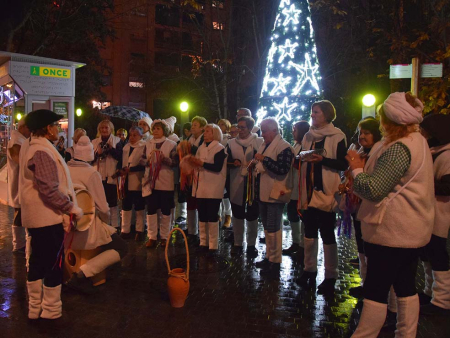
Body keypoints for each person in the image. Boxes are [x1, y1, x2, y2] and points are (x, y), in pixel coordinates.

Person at [348, 92, 434, 337]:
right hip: (410, 230)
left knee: (376, 289)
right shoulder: (416, 141)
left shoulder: (399, 148)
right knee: (405, 286)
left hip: (392, 230)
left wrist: (356, 168)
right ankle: (406, 333)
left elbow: (374, 190)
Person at [20, 109, 83, 320]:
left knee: (38, 261)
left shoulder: (34, 146)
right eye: (56, 125)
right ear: (47, 128)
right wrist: (71, 207)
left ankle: (35, 308)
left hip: (38, 217)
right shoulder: (42, 151)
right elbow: (48, 189)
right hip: (46, 217)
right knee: (52, 264)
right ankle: (50, 311)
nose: (58, 128)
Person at [66, 136, 128, 294]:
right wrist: (105, 224)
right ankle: (84, 272)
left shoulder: (65, 169)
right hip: (88, 228)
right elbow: (103, 208)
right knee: (122, 247)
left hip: (67, 226)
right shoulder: (91, 174)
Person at [297, 100, 347, 293]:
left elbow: (343, 164)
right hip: (308, 191)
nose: (312, 115)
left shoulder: (337, 135)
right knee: (309, 233)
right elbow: (302, 155)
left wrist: (323, 160)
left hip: (327, 191)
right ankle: (309, 270)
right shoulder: (308, 135)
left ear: (326, 114)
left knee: (327, 233)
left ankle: (330, 275)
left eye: (316, 112)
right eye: (312, 112)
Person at [252, 117, 294, 275]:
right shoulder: (265, 144)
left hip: (275, 193)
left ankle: (275, 261)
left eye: (264, 130)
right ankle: (269, 256)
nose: (262, 134)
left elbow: (282, 169)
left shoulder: (284, 147)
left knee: (274, 227)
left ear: (275, 130)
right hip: (263, 192)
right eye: (262, 130)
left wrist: (264, 160)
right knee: (268, 227)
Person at [419, 113, 450, 315]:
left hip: (440, 211)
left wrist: (424, 184)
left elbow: (447, 186)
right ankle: (429, 290)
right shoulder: (433, 151)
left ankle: (443, 299)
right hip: (427, 211)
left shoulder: (446, 155)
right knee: (427, 253)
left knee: (438, 254)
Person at [346, 118, 382, 297]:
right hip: (356, 204)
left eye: (366, 133)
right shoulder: (361, 151)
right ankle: (364, 281)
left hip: (370, 206)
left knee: (369, 246)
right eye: (360, 133)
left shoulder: (379, 153)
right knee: (360, 244)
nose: (362, 137)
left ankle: (371, 286)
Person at [227, 116, 263, 256]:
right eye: (238, 127)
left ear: (249, 128)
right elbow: (226, 160)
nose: (239, 130)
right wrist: (233, 162)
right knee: (237, 212)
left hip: (253, 183)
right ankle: (237, 242)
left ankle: (251, 244)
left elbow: (263, 158)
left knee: (253, 214)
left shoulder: (258, 142)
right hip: (236, 181)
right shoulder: (230, 143)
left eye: (242, 127)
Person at [190, 124, 227, 255]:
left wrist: (202, 164)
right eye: (204, 131)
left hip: (213, 186)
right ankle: (203, 242)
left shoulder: (219, 148)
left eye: (208, 131)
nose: (205, 134)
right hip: (201, 186)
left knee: (212, 216)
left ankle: (213, 245)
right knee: (202, 216)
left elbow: (217, 167)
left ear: (215, 134)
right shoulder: (201, 147)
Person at [143, 119, 179, 248]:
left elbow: (175, 162)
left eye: (159, 128)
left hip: (165, 181)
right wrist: (148, 161)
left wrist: (164, 159)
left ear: (164, 130)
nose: (156, 131)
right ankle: (152, 236)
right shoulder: (148, 143)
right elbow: (142, 160)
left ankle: (164, 236)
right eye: (155, 128)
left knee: (165, 209)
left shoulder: (171, 144)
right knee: (151, 209)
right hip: (150, 181)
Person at [283, 121, 310, 257]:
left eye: (295, 130)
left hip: (302, 185)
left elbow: (303, 164)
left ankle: (303, 246)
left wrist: (292, 163)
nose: (293, 132)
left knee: (302, 214)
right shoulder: (296, 144)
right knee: (292, 213)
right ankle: (296, 242)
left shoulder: (306, 145)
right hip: (293, 184)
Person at [92, 120, 123, 230]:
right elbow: (90, 159)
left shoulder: (117, 141)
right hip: (99, 175)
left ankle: (115, 225)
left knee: (112, 201)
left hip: (111, 175)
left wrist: (110, 149)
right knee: (99, 201)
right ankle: (101, 225)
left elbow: (120, 157)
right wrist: (97, 154)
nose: (104, 130)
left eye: (106, 128)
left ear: (111, 129)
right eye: (102, 128)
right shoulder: (94, 142)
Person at [7, 117, 30, 253]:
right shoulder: (16, 142)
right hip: (19, 183)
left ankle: (20, 243)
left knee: (21, 213)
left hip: (21, 183)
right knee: (19, 213)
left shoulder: (19, 141)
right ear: (23, 127)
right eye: (29, 128)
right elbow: (21, 162)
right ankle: (18, 244)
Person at [120, 126, 147, 241]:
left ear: (141, 136)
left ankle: (139, 230)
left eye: (135, 135)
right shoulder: (126, 147)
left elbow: (143, 165)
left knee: (139, 206)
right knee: (126, 205)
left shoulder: (143, 146)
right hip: (126, 180)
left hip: (137, 180)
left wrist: (131, 170)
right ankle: (125, 230)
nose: (132, 137)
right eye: (130, 135)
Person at [185, 116, 207, 245]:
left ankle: (199, 231)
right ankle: (192, 229)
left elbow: (199, 153)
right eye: (192, 125)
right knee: (190, 202)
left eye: (195, 125)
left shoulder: (203, 139)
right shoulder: (190, 138)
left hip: (199, 175)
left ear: (202, 128)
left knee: (198, 202)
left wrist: (187, 148)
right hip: (189, 174)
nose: (192, 127)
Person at [218, 118, 232, 228]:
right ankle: (218, 214)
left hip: (227, 168)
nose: (220, 126)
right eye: (219, 124)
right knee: (218, 193)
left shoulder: (228, 139)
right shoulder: (216, 138)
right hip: (218, 169)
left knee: (226, 194)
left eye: (222, 124)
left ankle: (228, 215)